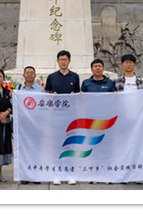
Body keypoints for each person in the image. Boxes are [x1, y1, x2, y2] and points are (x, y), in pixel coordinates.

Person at [45, 51, 80, 185]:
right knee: (57, 145)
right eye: (61, 59)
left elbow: (78, 95)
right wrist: (52, 97)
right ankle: (57, 173)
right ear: (57, 61)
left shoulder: (75, 76)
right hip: (55, 116)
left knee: (70, 144)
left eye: (65, 59)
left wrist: (74, 96)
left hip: (71, 116)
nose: (63, 62)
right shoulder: (52, 77)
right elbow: (46, 94)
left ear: (69, 61)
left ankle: (70, 173)